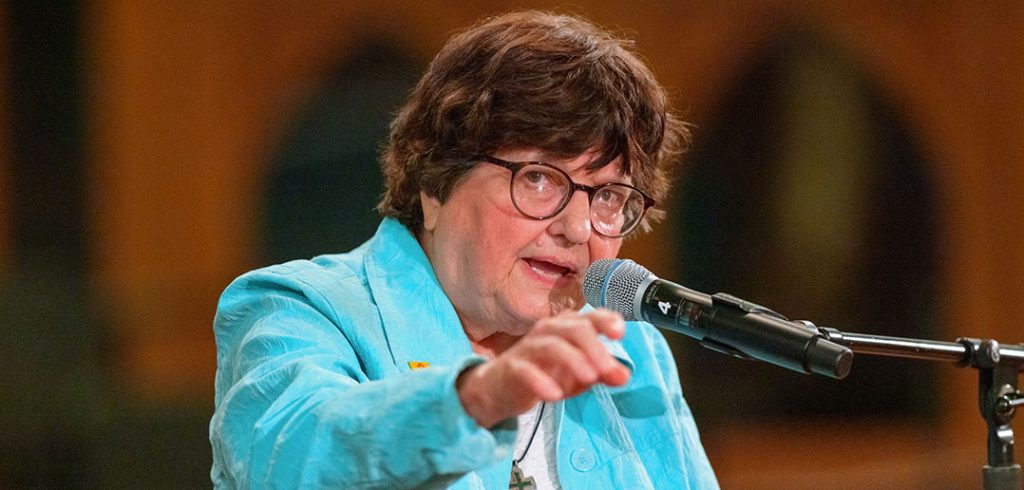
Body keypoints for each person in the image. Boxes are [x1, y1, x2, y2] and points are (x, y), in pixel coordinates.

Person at [210, 10, 718, 489]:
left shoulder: (630, 350)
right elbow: (294, 461)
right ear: (435, 182)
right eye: (539, 178)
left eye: (608, 195)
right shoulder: (298, 307)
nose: (578, 227)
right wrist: (478, 397)